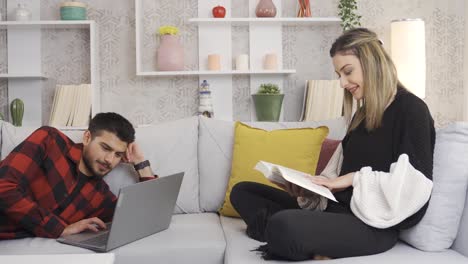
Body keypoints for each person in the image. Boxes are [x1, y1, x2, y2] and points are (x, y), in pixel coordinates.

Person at [230, 28, 435, 261]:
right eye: (339, 74)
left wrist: (353, 178)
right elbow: (334, 177)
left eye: (347, 72)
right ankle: (303, 239)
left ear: (373, 62)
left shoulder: (412, 110)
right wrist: (308, 193)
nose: (342, 83)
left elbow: (412, 188)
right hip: (335, 209)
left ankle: (290, 236)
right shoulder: (361, 115)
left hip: (370, 225)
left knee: (284, 225)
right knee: (243, 192)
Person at [0, 112, 157, 239]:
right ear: (87, 137)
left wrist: (141, 165)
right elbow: (3, 187)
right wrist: (59, 229)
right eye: (105, 148)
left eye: (118, 154)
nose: (109, 160)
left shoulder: (101, 197)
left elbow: (144, 217)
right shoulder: (50, 140)